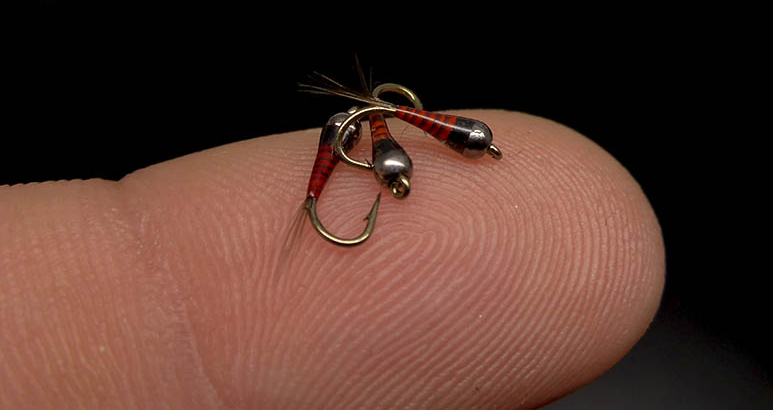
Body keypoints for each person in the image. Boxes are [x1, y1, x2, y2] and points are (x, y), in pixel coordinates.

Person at [0, 110, 665, 409]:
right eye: (393, 177)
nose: (396, 182)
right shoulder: (372, 139)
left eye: (473, 142)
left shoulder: (383, 135)